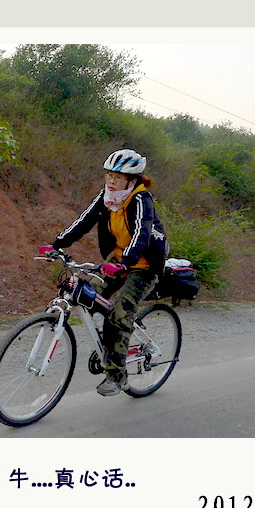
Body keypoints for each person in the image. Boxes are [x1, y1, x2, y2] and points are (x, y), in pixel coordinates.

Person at [39, 149, 168, 396]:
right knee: (89, 296)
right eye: (109, 175)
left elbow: (141, 233)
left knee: (119, 314)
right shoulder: (107, 197)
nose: (111, 181)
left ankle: (117, 376)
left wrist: (126, 262)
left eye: (118, 177)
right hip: (118, 261)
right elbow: (83, 222)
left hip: (143, 266)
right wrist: (57, 244)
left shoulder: (141, 199)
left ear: (132, 181)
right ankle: (110, 343)